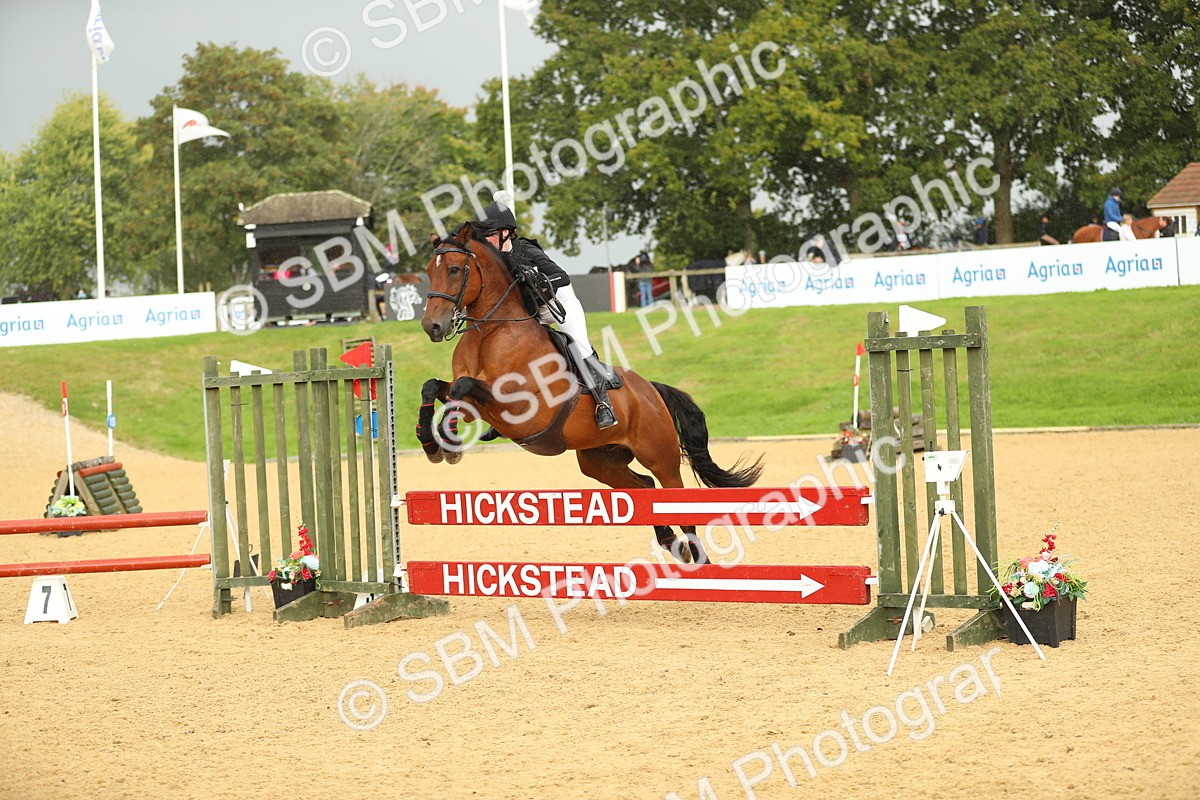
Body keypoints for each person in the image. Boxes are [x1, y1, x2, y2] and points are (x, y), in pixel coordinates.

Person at [477, 196, 618, 429]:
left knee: (580, 349)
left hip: (559, 304)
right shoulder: (495, 258)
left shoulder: (526, 249)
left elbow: (562, 276)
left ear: (506, 233)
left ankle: (603, 405)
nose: (486, 240)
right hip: (534, 312)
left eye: (490, 234)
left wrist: (538, 280)